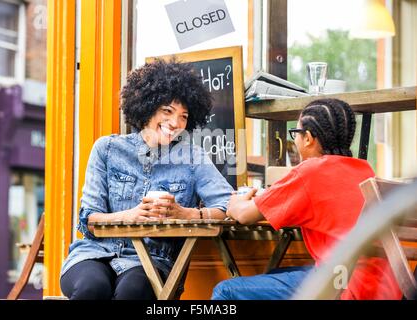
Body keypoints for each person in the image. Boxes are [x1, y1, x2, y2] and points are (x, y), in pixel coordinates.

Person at [60, 59, 233, 300]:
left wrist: (187, 214)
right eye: (167, 111)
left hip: (152, 261)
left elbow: (228, 206)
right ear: (147, 106)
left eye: (184, 116)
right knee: (92, 289)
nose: (175, 123)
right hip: (94, 253)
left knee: (133, 292)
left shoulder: (193, 157)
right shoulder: (107, 149)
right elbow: (89, 220)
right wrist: (127, 217)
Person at [212, 98, 402, 300]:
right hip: (384, 287)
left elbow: (244, 215)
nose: (294, 140)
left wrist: (233, 203)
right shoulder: (364, 170)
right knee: (272, 276)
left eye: (296, 133)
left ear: (308, 138)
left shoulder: (311, 171)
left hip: (343, 285)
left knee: (226, 292)